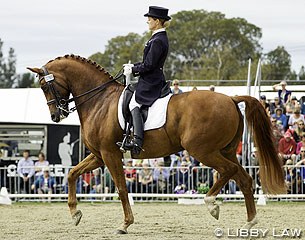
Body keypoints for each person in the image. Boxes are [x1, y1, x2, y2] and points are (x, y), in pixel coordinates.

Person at [119, 6, 171, 155]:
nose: (147, 20)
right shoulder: (156, 37)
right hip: (148, 78)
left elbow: (149, 65)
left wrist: (134, 70)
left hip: (151, 81)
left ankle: (137, 141)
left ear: (158, 21)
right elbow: (147, 62)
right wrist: (132, 66)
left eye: (150, 18)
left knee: (134, 103)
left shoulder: (158, 40)